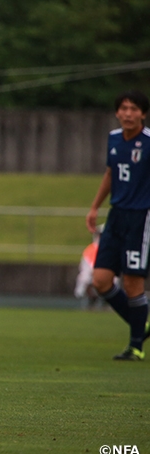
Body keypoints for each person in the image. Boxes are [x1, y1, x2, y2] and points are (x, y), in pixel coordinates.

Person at [86, 90, 150, 361]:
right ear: (117, 112)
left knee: (133, 281)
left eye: (133, 109)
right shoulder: (113, 139)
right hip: (116, 216)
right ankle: (141, 323)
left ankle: (136, 346)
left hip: (141, 217)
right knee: (100, 280)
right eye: (123, 108)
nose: (127, 113)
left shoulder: (148, 142)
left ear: (143, 114)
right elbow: (111, 173)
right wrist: (94, 206)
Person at [74, 224, 109, 309]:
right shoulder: (91, 249)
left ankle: (108, 299)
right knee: (85, 279)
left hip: (106, 273)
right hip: (92, 271)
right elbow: (87, 265)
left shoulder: (110, 248)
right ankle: (91, 298)